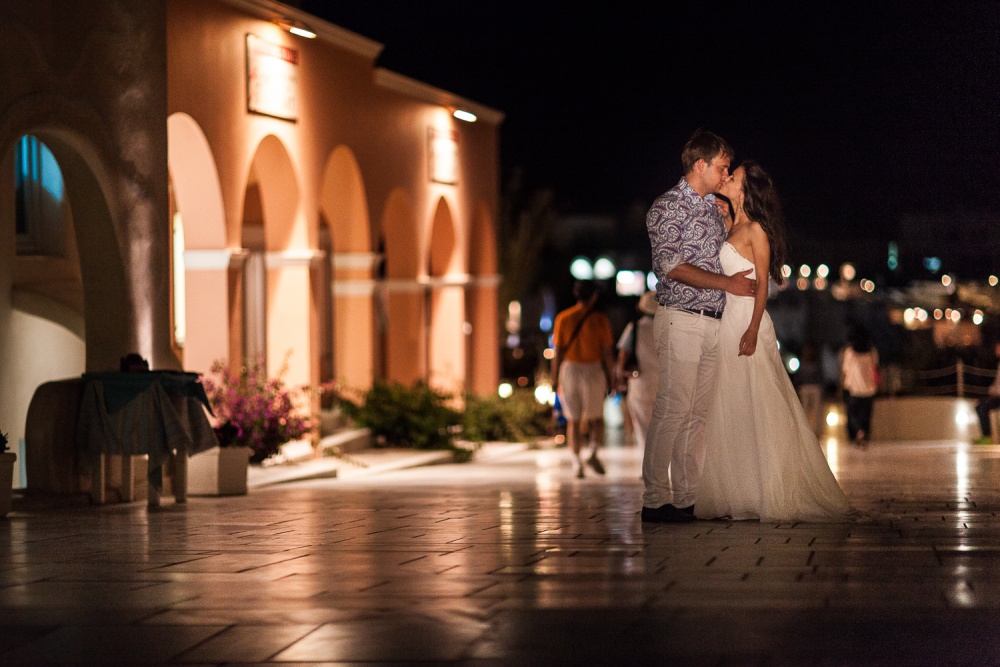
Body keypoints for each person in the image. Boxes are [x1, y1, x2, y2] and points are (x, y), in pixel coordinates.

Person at [695, 160, 853, 522]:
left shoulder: (756, 230)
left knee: (762, 402)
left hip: (748, 322)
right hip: (728, 322)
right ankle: (741, 491)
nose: (727, 178)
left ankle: (771, 489)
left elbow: (763, 285)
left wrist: (752, 329)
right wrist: (723, 219)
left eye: (733, 177)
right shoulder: (732, 226)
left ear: (745, 190)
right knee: (733, 405)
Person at [640, 130, 757, 523]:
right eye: (722, 166)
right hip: (681, 318)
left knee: (698, 414)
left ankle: (688, 497)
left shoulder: (712, 209)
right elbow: (671, 266)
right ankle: (655, 499)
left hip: (714, 322)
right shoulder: (667, 207)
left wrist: (727, 220)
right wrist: (728, 284)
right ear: (700, 164)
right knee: (673, 408)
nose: (726, 174)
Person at [551, 279, 615, 478]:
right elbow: (607, 353)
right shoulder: (600, 320)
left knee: (573, 418)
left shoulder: (563, 318)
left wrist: (554, 378)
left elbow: (557, 352)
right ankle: (593, 452)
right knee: (596, 417)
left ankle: (576, 462)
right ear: (594, 295)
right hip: (593, 370)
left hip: (570, 369)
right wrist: (612, 378)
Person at [615, 291, 659, 449]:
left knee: (643, 425)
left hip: (641, 382)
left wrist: (620, 376)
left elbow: (623, 355)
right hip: (666, 384)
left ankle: (646, 459)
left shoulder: (635, 328)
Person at [840, 326, 880, 446]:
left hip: (854, 388)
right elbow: (875, 366)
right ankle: (864, 433)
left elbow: (845, 369)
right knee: (866, 414)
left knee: (853, 414)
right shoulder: (872, 352)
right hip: (869, 388)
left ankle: (858, 432)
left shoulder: (850, 352)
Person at [795, 341, 825, 435]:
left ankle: (813, 430)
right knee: (808, 409)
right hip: (809, 387)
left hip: (811, 387)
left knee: (812, 410)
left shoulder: (812, 363)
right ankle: (808, 430)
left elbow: (799, 377)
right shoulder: (806, 363)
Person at [974, 340, 1000, 444]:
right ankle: (986, 436)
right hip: (996, 396)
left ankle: (988, 438)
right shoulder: (997, 364)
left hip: (998, 396)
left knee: (983, 407)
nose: (997, 350)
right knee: (979, 405)